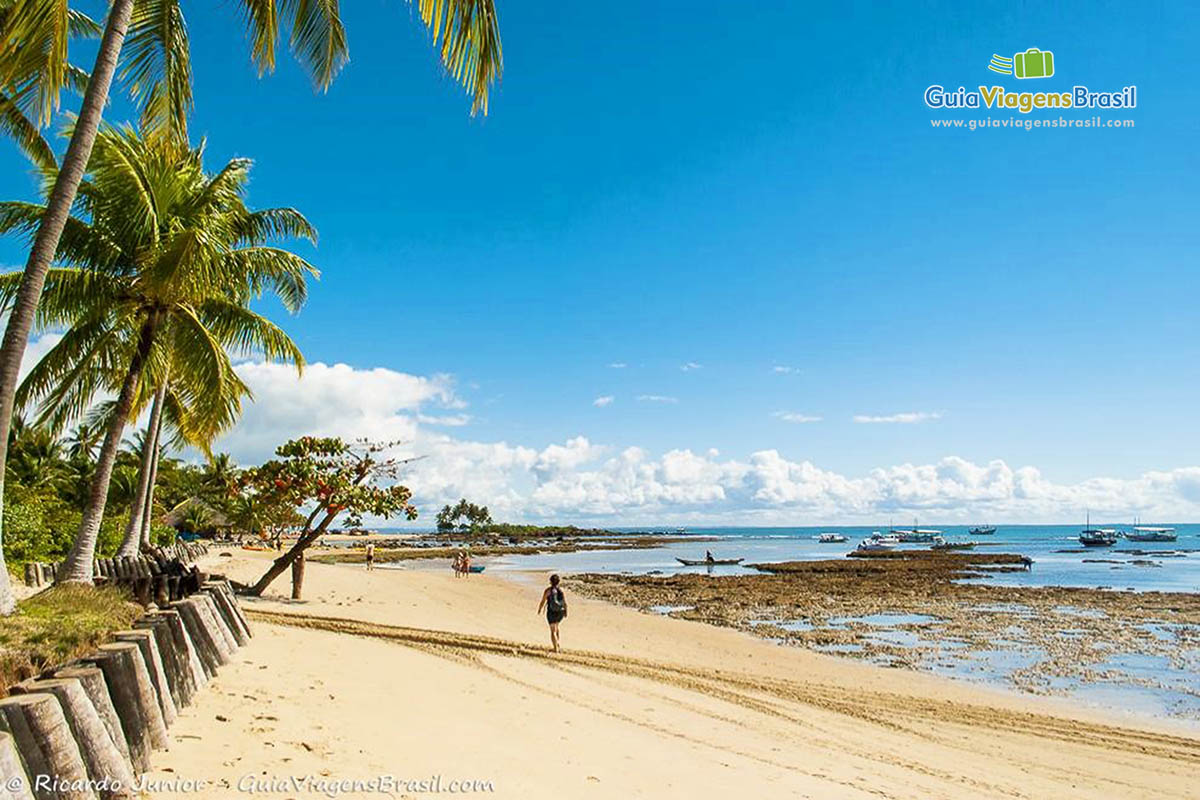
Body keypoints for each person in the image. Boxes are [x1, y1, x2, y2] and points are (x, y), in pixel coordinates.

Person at [537, 574, 567, 652]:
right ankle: (558, 643)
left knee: (552, 630)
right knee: (556, 627)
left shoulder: (548, 591)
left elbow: (543, 601)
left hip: (551, 612)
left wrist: (540, 609)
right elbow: (565, 603)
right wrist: (566, 611)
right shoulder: (561, 590)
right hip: (560, 612)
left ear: (550, 582)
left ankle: (555, 648)